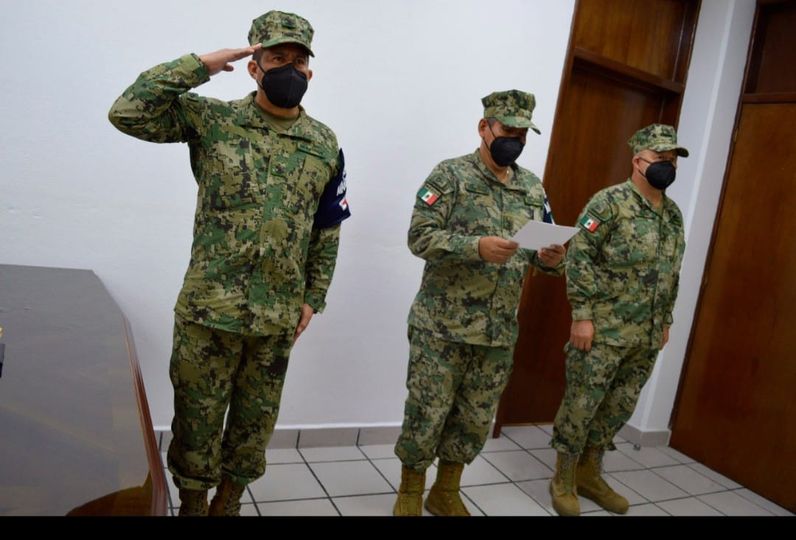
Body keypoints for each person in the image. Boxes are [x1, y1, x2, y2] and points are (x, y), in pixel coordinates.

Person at [108, 10, 350, 516]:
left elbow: (327, 228)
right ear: (254, 67)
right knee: (196, 423)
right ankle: (193, 505)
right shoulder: (213, 121)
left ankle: (229, 504)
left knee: (252, 426)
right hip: (208, 310)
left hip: (277, 317)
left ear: (311, 71)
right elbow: (128, 113)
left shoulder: (325, 143)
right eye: (276, 57)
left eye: (299, 60)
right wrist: (199, 64)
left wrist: (313, 297)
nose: (290, 68)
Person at [393, 90, 566, 516]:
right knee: (427, 411)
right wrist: (475, 246)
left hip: (497, 331)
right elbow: (419, 236)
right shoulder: (449, 176)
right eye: (508, 130)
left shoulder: (531, 187)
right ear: (484, 127)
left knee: (474, 417)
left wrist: (553, 258)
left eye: (523, 133)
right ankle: (411, 492)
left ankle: (446, 490)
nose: (516, 139)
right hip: (442, 327)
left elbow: (543, 250)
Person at [549, 124, 688, 516]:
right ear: (638, 161)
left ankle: (590, 474)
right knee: (582, 404)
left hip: (645, 334)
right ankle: (563, 478)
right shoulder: (608, 204)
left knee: (617, 407)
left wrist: (665, 320)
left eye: (673, 160)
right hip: (603, 330)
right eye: (661, 159)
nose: (668, 166)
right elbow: (580, 259)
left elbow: (670, 271)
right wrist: (582, 316)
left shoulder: (673, 215)